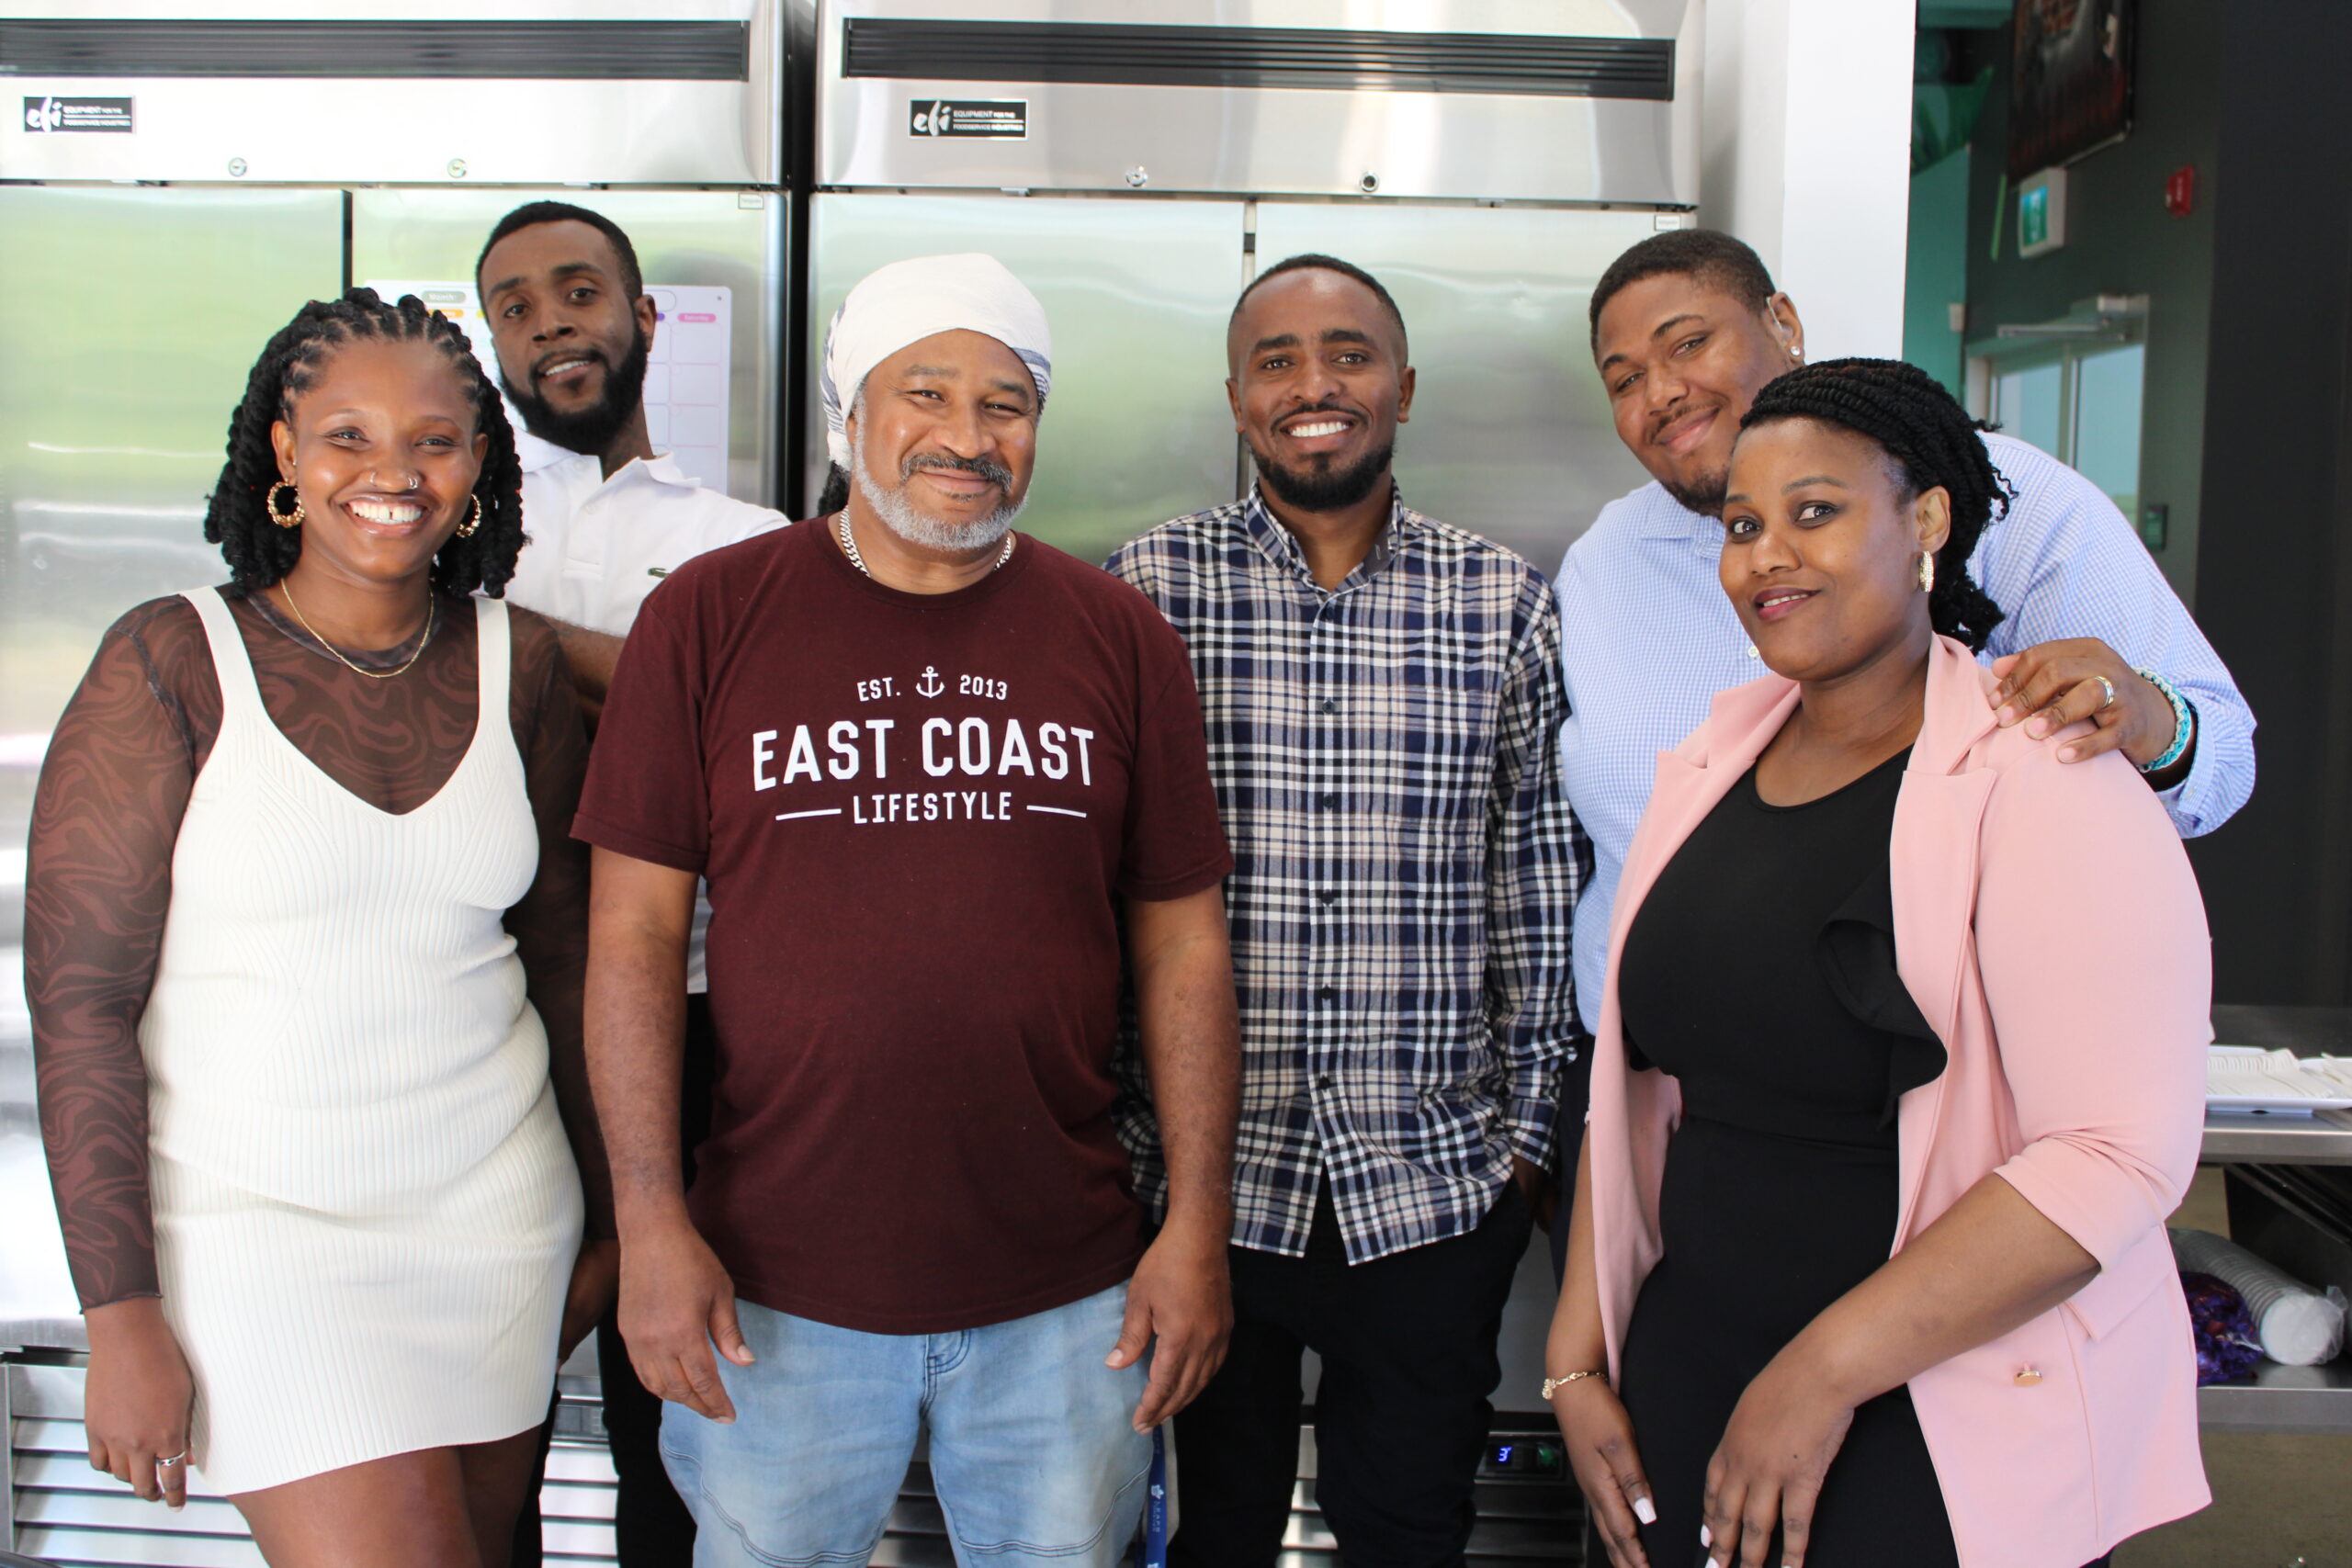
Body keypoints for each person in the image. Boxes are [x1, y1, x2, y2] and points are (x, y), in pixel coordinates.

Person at [575, 253, 1241, 1568]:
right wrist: (649, 1226)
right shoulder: (709, 618)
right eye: (924, 391)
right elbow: (634, 940)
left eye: (1007, 402)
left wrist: (1196, 1229)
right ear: (849, 416)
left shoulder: (1117, 634)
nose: (967, 434)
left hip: (1070, 1294)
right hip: (771, 1289)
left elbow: (1182, 944)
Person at [1546, 359, 2210, 1568]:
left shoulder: (2044, 769)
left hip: (1931, 1410)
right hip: (1688, 1376)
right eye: (1743, 525)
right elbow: (1640, 1082)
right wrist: (1579, 1355)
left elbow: (2117, 1151)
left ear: (1929, 521)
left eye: (1815, 511)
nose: (1765, 556)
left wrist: (1817, 1374)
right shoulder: (1710, 763)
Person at [27, 288, 615, 1567]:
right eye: (347, 435)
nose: (393, 472)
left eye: (436, 440)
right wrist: (118, 1310)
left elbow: (569, 971)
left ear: (479, 464)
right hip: (259, 1236)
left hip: (498, 1223)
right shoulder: (171, 659)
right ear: (283, 453)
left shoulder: (519, 665)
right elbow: (79, 1004)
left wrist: (615, 1224)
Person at [1558, 232, 2253, 1228]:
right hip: (1657, 1093)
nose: (1659, 391)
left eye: (1686, 344)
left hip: (1931, 1102)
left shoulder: (2004, 504)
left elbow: (2217, 764)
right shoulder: (1606, 561)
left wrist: (2148, 716)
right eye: (1623, 378)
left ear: (1782, 324)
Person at [1105, 254, 1581, 1568]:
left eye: (1350, 353)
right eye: (1278, 360)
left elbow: (1536, 889)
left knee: (1409, 1527)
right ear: (1237, 398)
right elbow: (1091, 882)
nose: (1316, 384)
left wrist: (1523, 1155)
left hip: (1430, 1186)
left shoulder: (1503, 603)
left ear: (1405, 386)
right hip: (1200, 1188)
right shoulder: (1147, 591)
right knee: (1213, 1530)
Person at [475, 197, 785, 1567]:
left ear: (644, 318)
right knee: (497, 1390)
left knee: (689, 1378)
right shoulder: (440, 521)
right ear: (494, 341)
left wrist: (518, 639)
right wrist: (653, 668)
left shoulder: (749, 537)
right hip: (493, 1009)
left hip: (705, 1008)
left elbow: (749, 772)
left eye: (580, 289)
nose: (551, 317)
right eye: (517, 301)